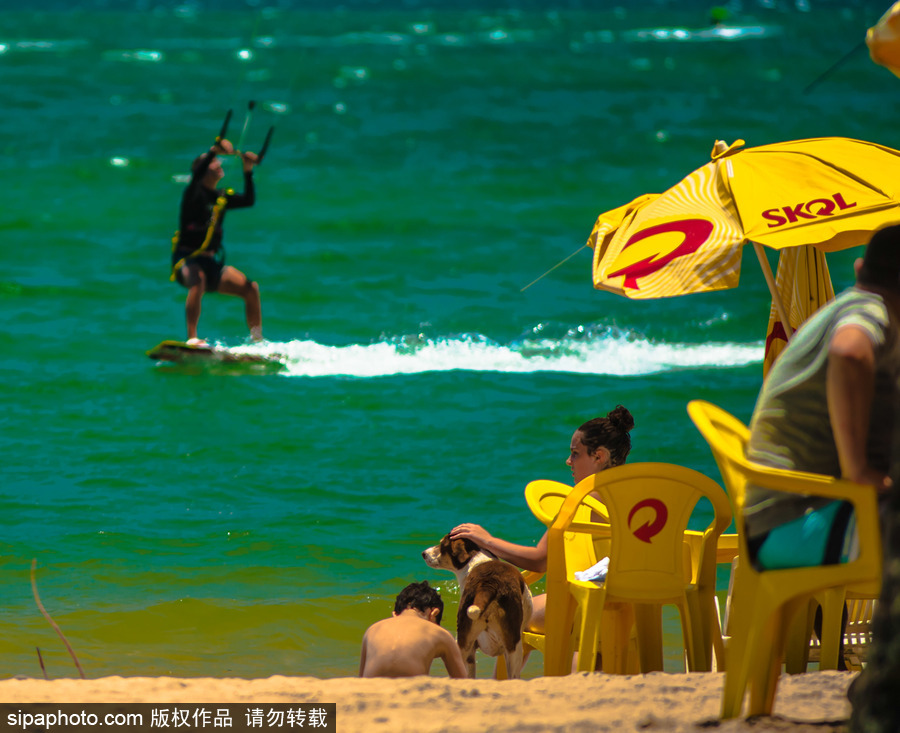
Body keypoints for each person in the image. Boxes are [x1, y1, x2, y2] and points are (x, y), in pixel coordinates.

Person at [744, 224, 900, 571]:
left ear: (861, 268)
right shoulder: (873, 310)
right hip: (794, 526)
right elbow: (848, 352)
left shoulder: (852, 305)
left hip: (783, 520)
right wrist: (858, 470)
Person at [450, 405, 635, 635]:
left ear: (599, 456)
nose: (568, 461)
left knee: (506, 615)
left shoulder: (584, 499)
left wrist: (486, 540)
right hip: (634, 606)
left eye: (575, 453)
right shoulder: (636, 493)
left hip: (587, 605)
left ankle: (506, 673)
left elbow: (539, 560)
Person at [171, 137, 262, 344]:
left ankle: (257, 342)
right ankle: (192, 338)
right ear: (202, 170)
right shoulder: (193, 193)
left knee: (251, 288)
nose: (219, 164)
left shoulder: (220, 197)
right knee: (198, 280)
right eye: (214, 163)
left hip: (212, 263)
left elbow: (249, 200)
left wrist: (247, 169)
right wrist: (214, 151)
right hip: (187, 259)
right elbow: (196, 178)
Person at [359, 580, 467, 679]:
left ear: (394, 615)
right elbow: (462, 681)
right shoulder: (440, 633)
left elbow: (361, 679)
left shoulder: (372, 629)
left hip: (373, 689)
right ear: (434, 614)